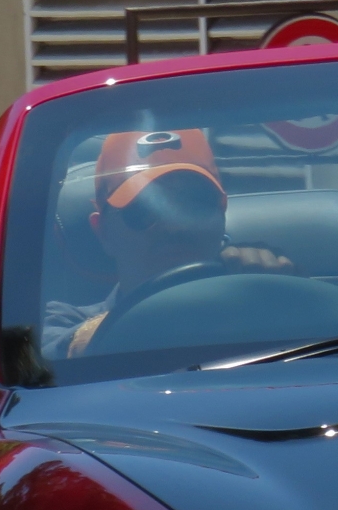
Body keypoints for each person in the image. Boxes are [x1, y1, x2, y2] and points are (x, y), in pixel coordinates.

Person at [45, 129, 289, 358]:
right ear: (104, 232)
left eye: (194, 204)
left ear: (222, 213)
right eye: (143, 209)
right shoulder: (62, 322)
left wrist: (277, 296)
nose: (175, 225)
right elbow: (46, 360)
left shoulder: (262, 301)